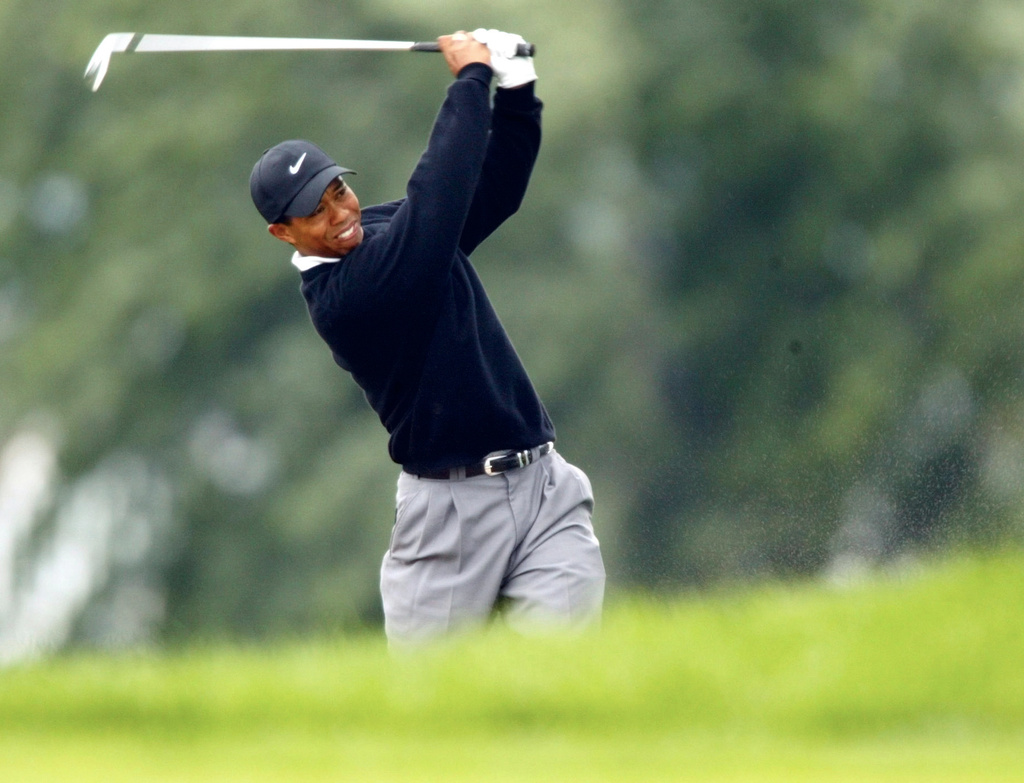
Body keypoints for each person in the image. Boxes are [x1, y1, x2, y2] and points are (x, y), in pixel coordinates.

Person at [249, 29, 605, 644]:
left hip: (544, 489)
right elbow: (437, 198)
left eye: (340, 191)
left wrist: (516, 87)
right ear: (284, 233)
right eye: (316, 211)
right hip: (448, 522)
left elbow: (492, 189)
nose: (341, 214)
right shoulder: (344, 299)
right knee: (432, 700)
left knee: (563, 677)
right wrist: (470, 80)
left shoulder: (392, 228)